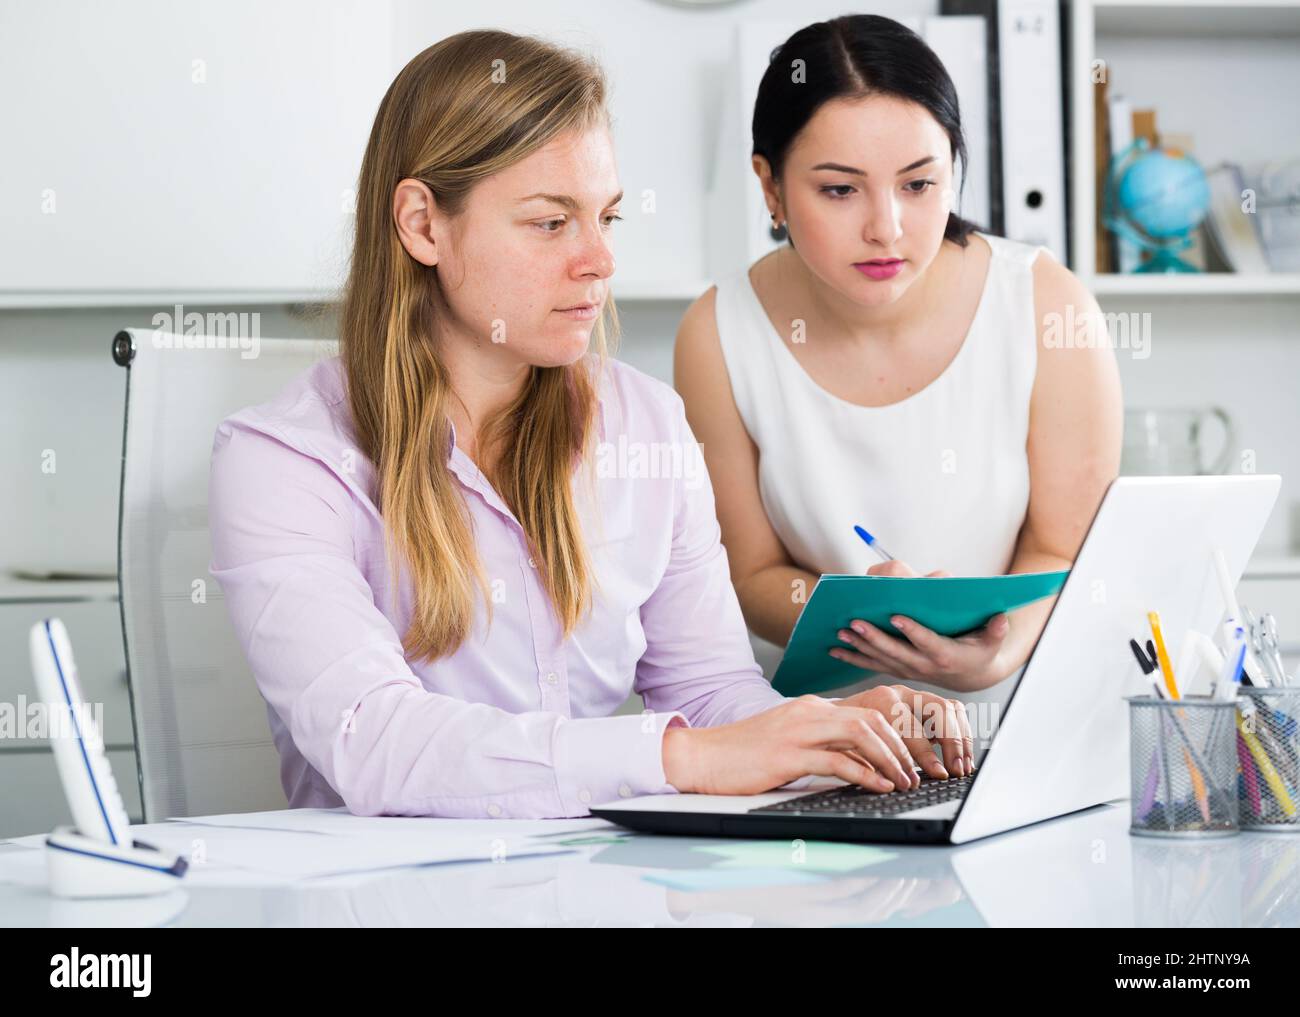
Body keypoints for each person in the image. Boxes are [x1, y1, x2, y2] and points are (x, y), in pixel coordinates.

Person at [208, 29, 973, 820]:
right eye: (552, 223)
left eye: (607, 217)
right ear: (422, 225)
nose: (600, 260)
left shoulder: (646, 425)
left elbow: (708, 690)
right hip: (391, 881)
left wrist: (832, 732)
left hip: (596, 872)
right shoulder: (285, 460)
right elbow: (373, 740)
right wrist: (679, 757)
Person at [675, 14, 1122, 720]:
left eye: (918, 185)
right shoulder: (718, 332)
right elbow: (751, 574)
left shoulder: (1046, 305)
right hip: (818, 734)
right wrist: (873, 622)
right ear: (771, 187)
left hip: (1022, 718)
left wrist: (990, 655)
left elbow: (1065, 550)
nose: (886, 228)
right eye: (840, 190)